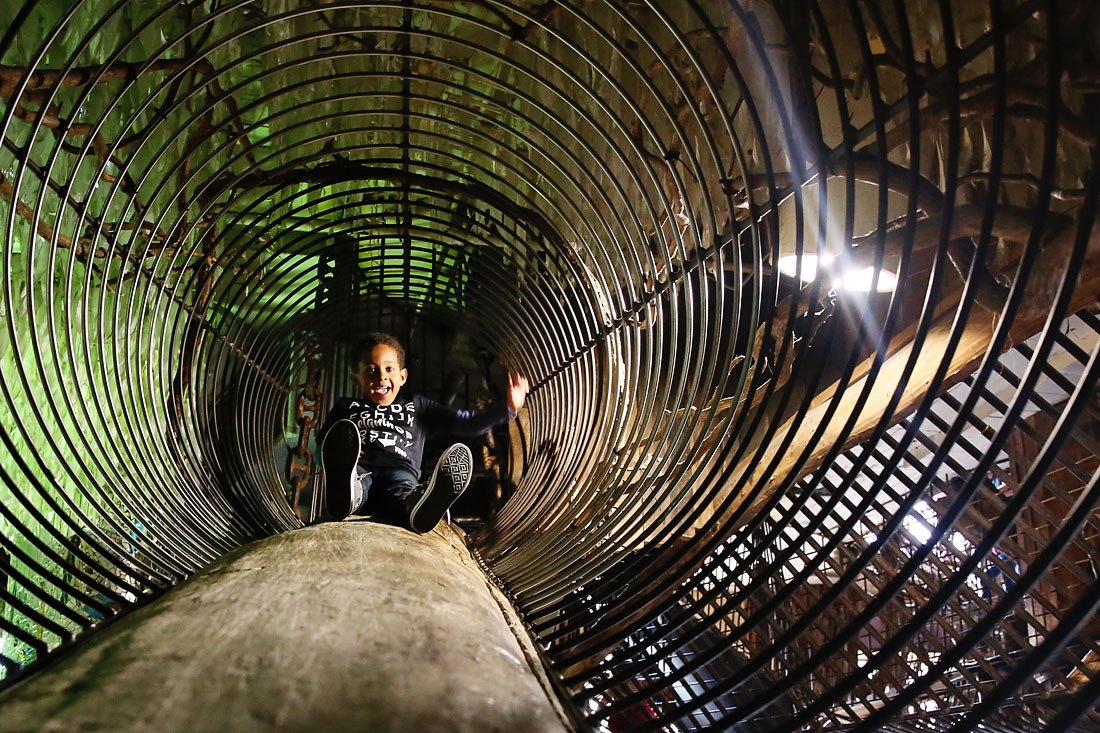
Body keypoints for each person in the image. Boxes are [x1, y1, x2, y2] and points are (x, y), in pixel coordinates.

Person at [316, 332, 529, 533]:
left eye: (389, 369)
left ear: (403, 376)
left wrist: (507, 408)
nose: (381, 376)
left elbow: (467, 423)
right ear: (356, 379)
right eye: (371, 370)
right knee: (356, 481)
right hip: (360, 469)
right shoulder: (347, 407)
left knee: (403, 488)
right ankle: (345, 496)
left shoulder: (418, 407)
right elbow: (322, 450)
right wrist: (337, 454)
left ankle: (419, 506)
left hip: (399, 470)